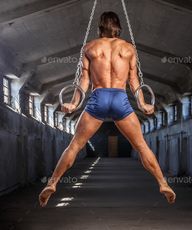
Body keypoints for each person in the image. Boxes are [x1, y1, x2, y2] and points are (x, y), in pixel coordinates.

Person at [39, 11, 176, 207]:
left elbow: (83, 82)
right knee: (141, 146)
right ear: (118, 26)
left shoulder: (90, 47)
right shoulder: (129, 48)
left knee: (75, 146)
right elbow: (134, 81)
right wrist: (143, 104)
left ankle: (52, 183)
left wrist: (74, 104)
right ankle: (163, 183)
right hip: (120, 99)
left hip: (98, 99)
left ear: (100, 26)